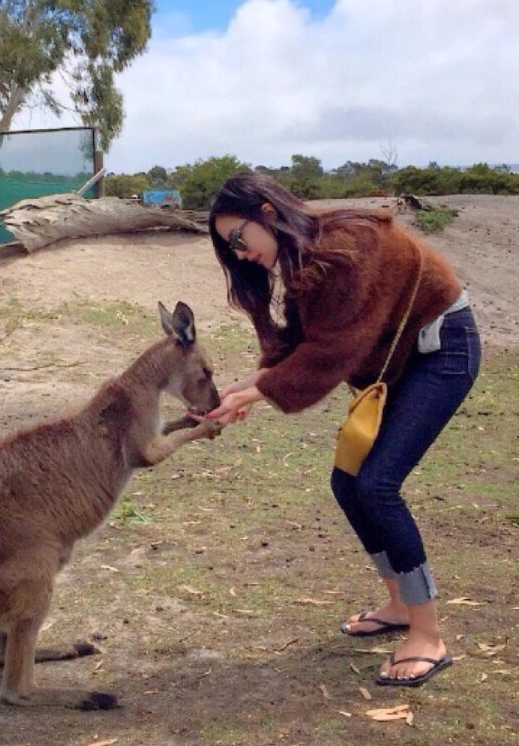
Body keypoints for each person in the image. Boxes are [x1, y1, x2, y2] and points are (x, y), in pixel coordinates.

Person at [204, 171, 480, 688]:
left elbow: (332, 351)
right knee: (347, 482)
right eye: (229, 249)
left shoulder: (345, 246)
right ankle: (399, 604)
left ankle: (428, 634)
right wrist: (248, 389)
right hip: (396, 361)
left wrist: (261, 391)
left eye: (238, 239)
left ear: (266, 212)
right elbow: (309, 342)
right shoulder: (305, 257)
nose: (238, 254)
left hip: (443, 351)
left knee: (377, 485)